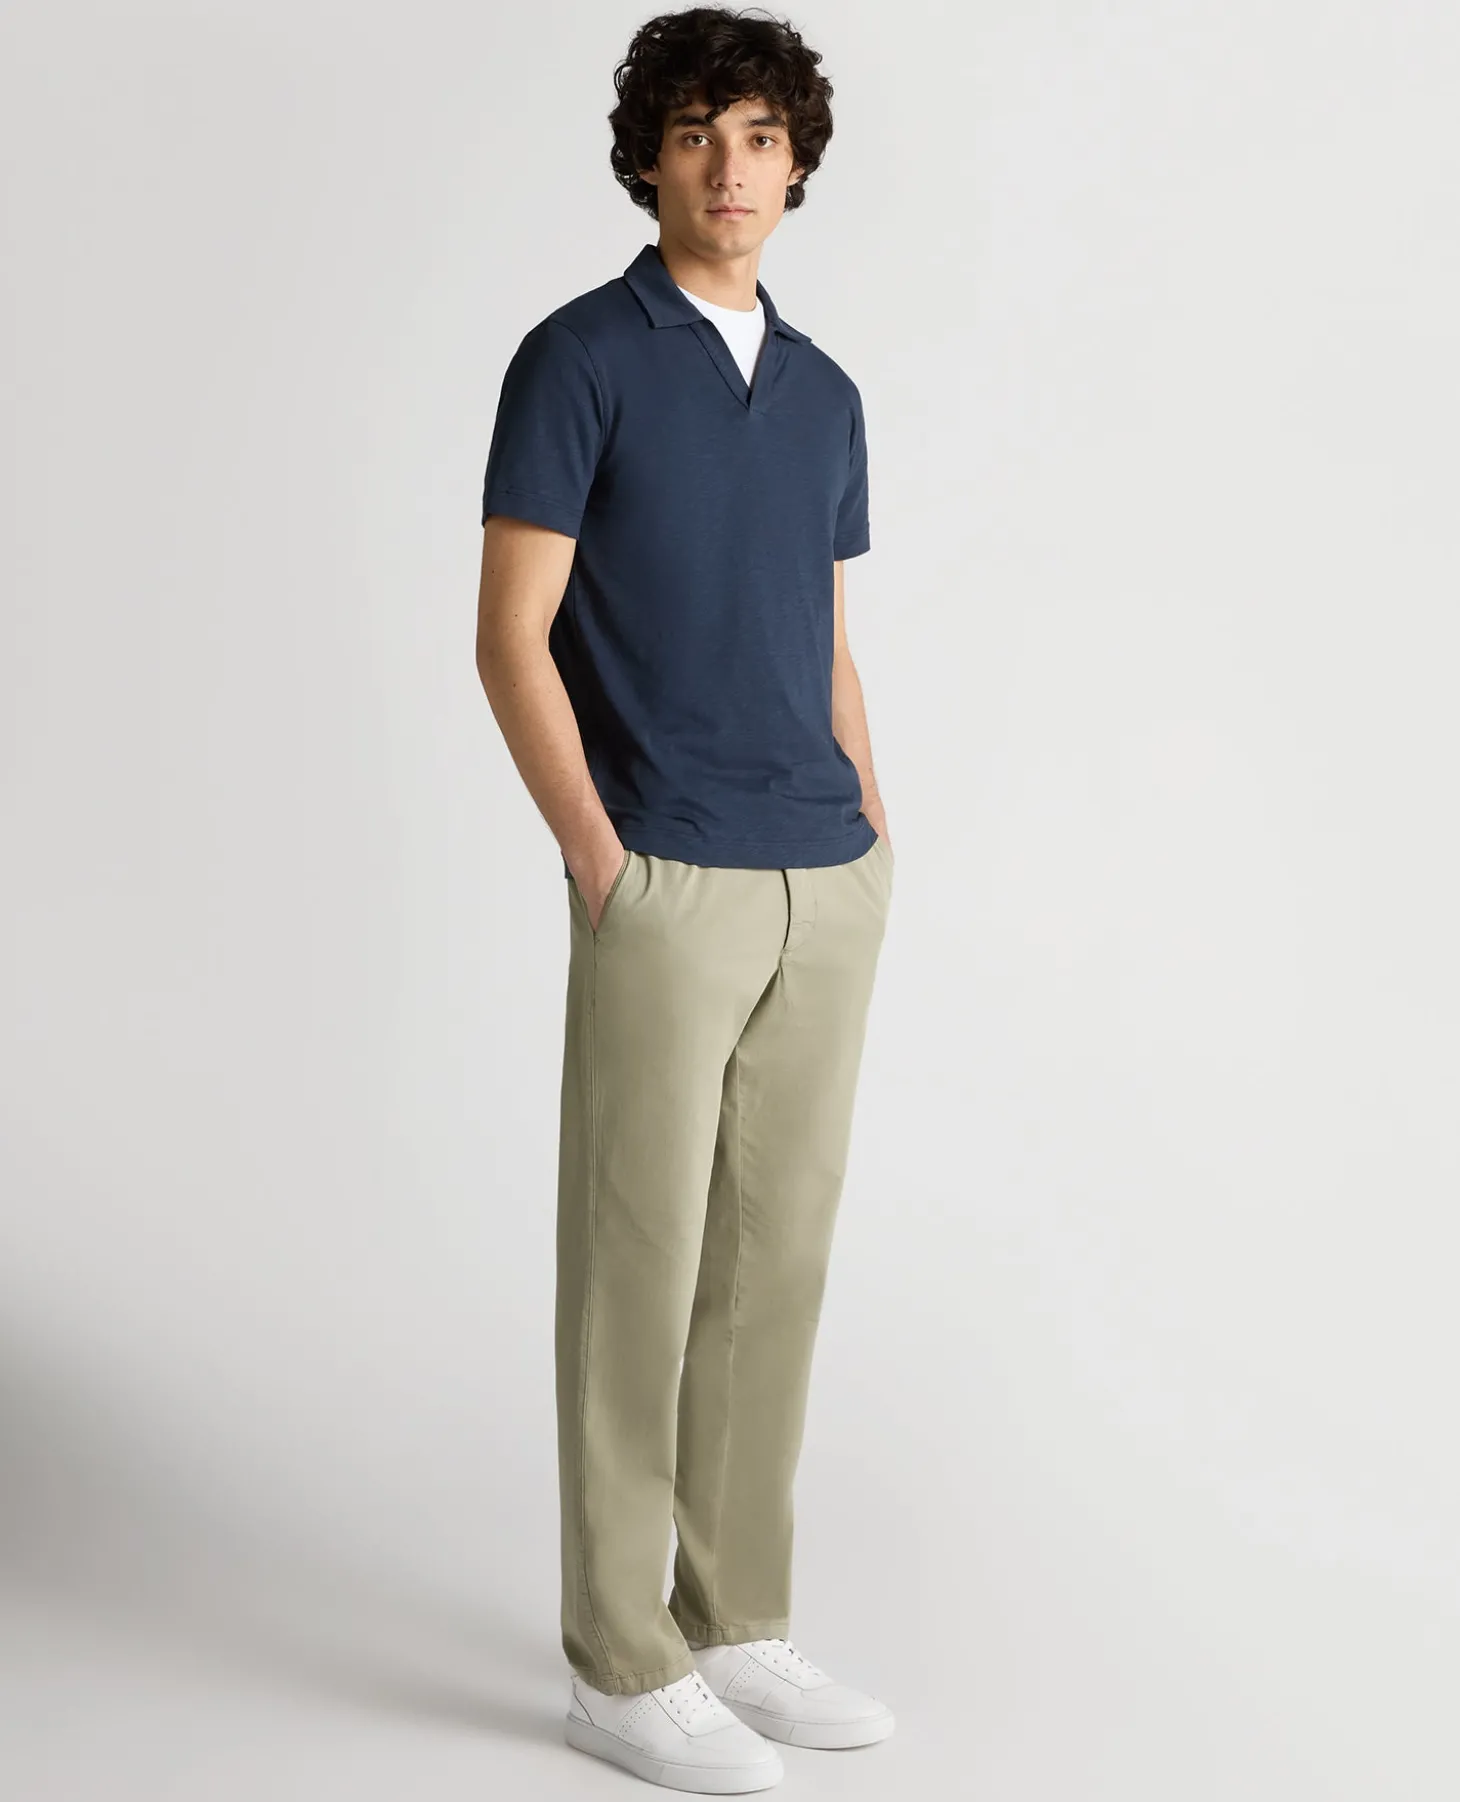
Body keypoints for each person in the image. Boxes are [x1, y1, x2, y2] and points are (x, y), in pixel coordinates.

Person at [475, 8, 895, 1789]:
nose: (732, 168)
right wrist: (600, 856)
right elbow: (510, 636)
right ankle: (618, 1659)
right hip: (663, 872)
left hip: (823, 876)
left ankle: (733, 1621)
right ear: (649, 155)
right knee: (635, 1268)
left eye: (761, 137)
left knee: (772, 1265)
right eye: (700, 133)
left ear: (799, 165)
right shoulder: (579, 358)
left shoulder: (827, 393)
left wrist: (872, 828)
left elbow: (827, 636)